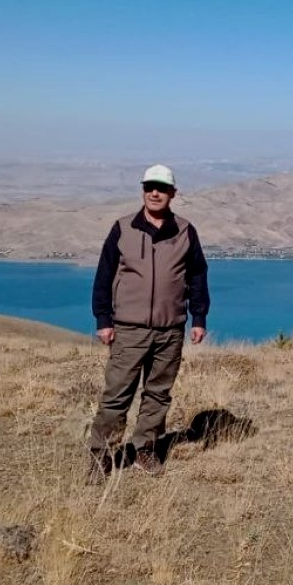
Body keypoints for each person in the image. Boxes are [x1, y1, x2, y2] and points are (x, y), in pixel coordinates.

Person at [86, 164, 210, 485]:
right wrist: (104, 319)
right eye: (148, 187)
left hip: (170, 330)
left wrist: (199, 318)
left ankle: (145, 448)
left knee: (158, 394)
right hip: (129, 329)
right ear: (142, 190)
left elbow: (197, 275)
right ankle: (101, 456)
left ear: (172, 193)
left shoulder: (185, 231)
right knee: (116, 395)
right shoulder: (123, 228)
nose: (154, 193)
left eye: (161, 187)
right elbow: (104, 277)